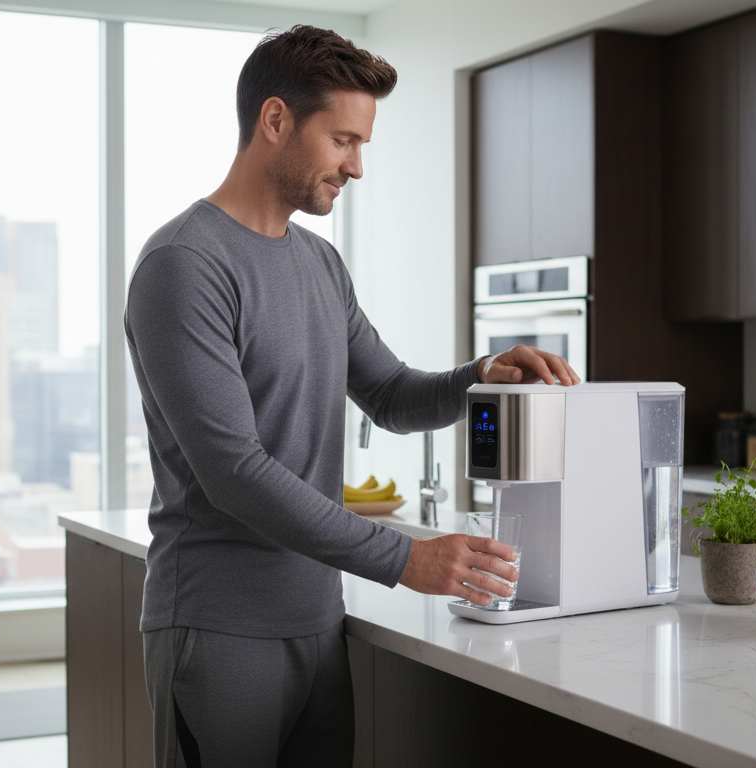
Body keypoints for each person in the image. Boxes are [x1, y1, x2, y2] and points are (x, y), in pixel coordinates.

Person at [124, 24, 580, 767]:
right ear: (276, 120)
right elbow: (234, 471)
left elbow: (391, 394)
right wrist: (406, 558)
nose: (356, 167)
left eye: (361, 145)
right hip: (217, 630)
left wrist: (481, 375)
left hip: (316, 620)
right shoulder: (184, 265)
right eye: (342, 140)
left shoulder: (320, 264)